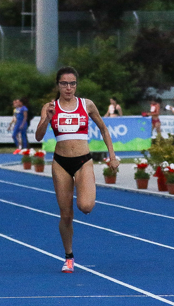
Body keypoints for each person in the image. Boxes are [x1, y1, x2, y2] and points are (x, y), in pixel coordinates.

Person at [35, 67, 120, 273]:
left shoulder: (86, 104)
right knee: (66, 215)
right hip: (61, 163)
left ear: (76, 85)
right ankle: (69, 257)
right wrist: (47, 118)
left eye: (72, 83)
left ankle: (85, 190)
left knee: (86, 206)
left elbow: (103, 128)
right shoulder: (50, 107)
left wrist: (112, 156)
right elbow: (38, 136)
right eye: (64, 83)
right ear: (58, 85)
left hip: (83, 161)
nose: (68, 87)